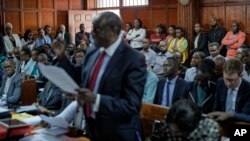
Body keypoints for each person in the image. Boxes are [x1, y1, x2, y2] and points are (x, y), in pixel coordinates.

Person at [73, 12, 146, 141]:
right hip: (93, 128)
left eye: (97, 29)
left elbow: (131, 106)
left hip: (118, 133)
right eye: (92, 28)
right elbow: (80, 75)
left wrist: (96, 99)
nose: (92, 33)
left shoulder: (133, 59)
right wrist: (62, 59)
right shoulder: (93, 51)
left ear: (113, 30)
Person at [146, 99, 220, 141]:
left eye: (178, 133)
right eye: (172, 131)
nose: (173, 133)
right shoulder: (169, 120)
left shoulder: (210, 128)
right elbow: (155, 138)